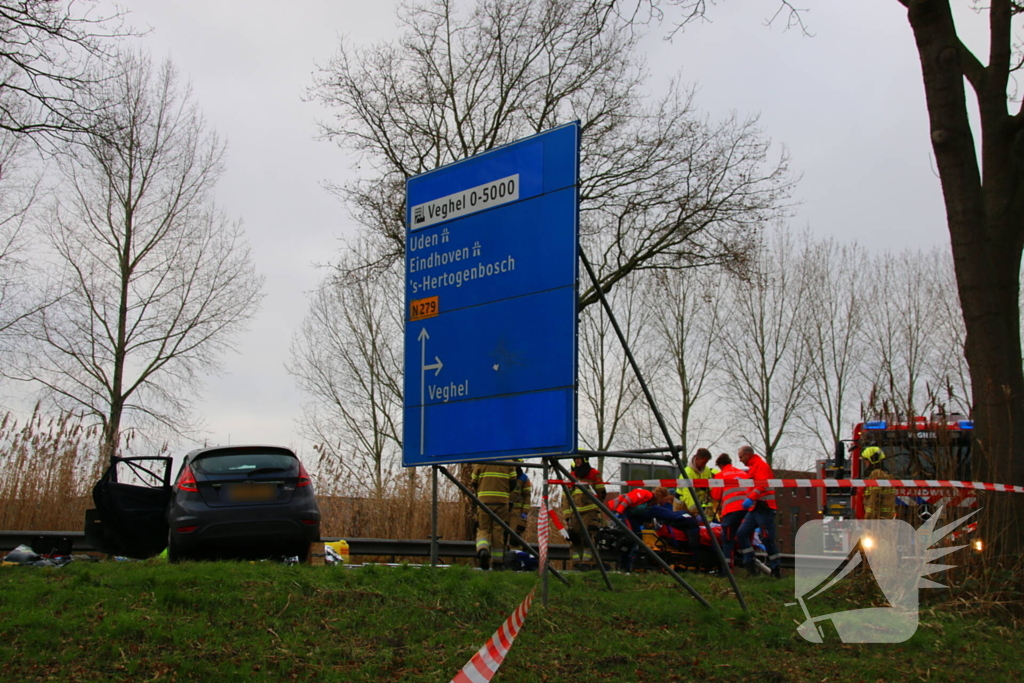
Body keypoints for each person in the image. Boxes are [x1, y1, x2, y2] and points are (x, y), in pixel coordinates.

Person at [607, 486, 704, 571]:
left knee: (635, 539)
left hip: (631, 516)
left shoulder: (651, 505)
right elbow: (628, 499)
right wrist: (618, 513)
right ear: (662, 497)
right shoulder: (646, 495)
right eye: (666, 500)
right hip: (624, 514)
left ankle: (628, 567)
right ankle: (624, 566)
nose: (665, 502)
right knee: (630, 538)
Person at [735, 445, 782, 578]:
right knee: (742, 533)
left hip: (764, 507)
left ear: (748, 454)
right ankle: (750, 563)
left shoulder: (760, 466)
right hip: (756, 509)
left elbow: (761, 485)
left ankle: (775, 570)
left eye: (741, 457)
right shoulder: (753, 468)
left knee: (768, 539)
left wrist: (750, 498)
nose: (740, 460)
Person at [562, 457, 606, 570]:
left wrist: (596, 509)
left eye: (579, 459)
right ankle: (576, 565)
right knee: (575, 539)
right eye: (575, 459)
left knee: (589, 539)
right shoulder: (571, 475)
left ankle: (588, 564)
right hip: (575, 514)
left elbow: (601, 493)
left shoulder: (594, 474)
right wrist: (567, 516)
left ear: (585, 459)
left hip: (590, 512)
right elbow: (566, 498)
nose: (577, 461)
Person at [470, 462, 515, 570]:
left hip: (484, 501)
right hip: (502, 501)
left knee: (483, 528)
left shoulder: (482, 461)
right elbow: (513, 483)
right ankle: (497, 562)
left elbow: (474, 481)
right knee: (498, 530)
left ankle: (483, 550)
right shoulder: (509, 462)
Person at [709, 453, 749, 569]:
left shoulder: (721, 475)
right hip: (747, 510)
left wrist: (710, 487)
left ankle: (727, 567)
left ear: (720, 465)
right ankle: (749, 565)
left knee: (727, 538)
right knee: (744, 537)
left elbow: (716, 495)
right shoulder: (743, 474)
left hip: (731, 510)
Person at [675, 448, 718, 517]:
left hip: (697, 504)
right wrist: (695, 511)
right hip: (682, 504)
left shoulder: (706, 470)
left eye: (706, 463)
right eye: (703, 462)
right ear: (697, 459)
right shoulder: (687, 473)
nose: (704, 465)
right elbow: (688, 494)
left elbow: (709, 486)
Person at [861, 447, 896, 520]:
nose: (865, 463)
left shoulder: (876, 474)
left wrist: (868, 517)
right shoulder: (888, 475)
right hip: (886, 518)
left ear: (872, 460)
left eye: (866, 460)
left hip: (877, 518)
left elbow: (874, 497)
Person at [507, 463, 532, 550]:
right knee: (500, 536)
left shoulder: (524, 478)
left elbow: (527, 496)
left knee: (515, 538)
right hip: (503, 510)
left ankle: (514, 559)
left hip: (516, 513)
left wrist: (524, 512)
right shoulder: (505, 474)